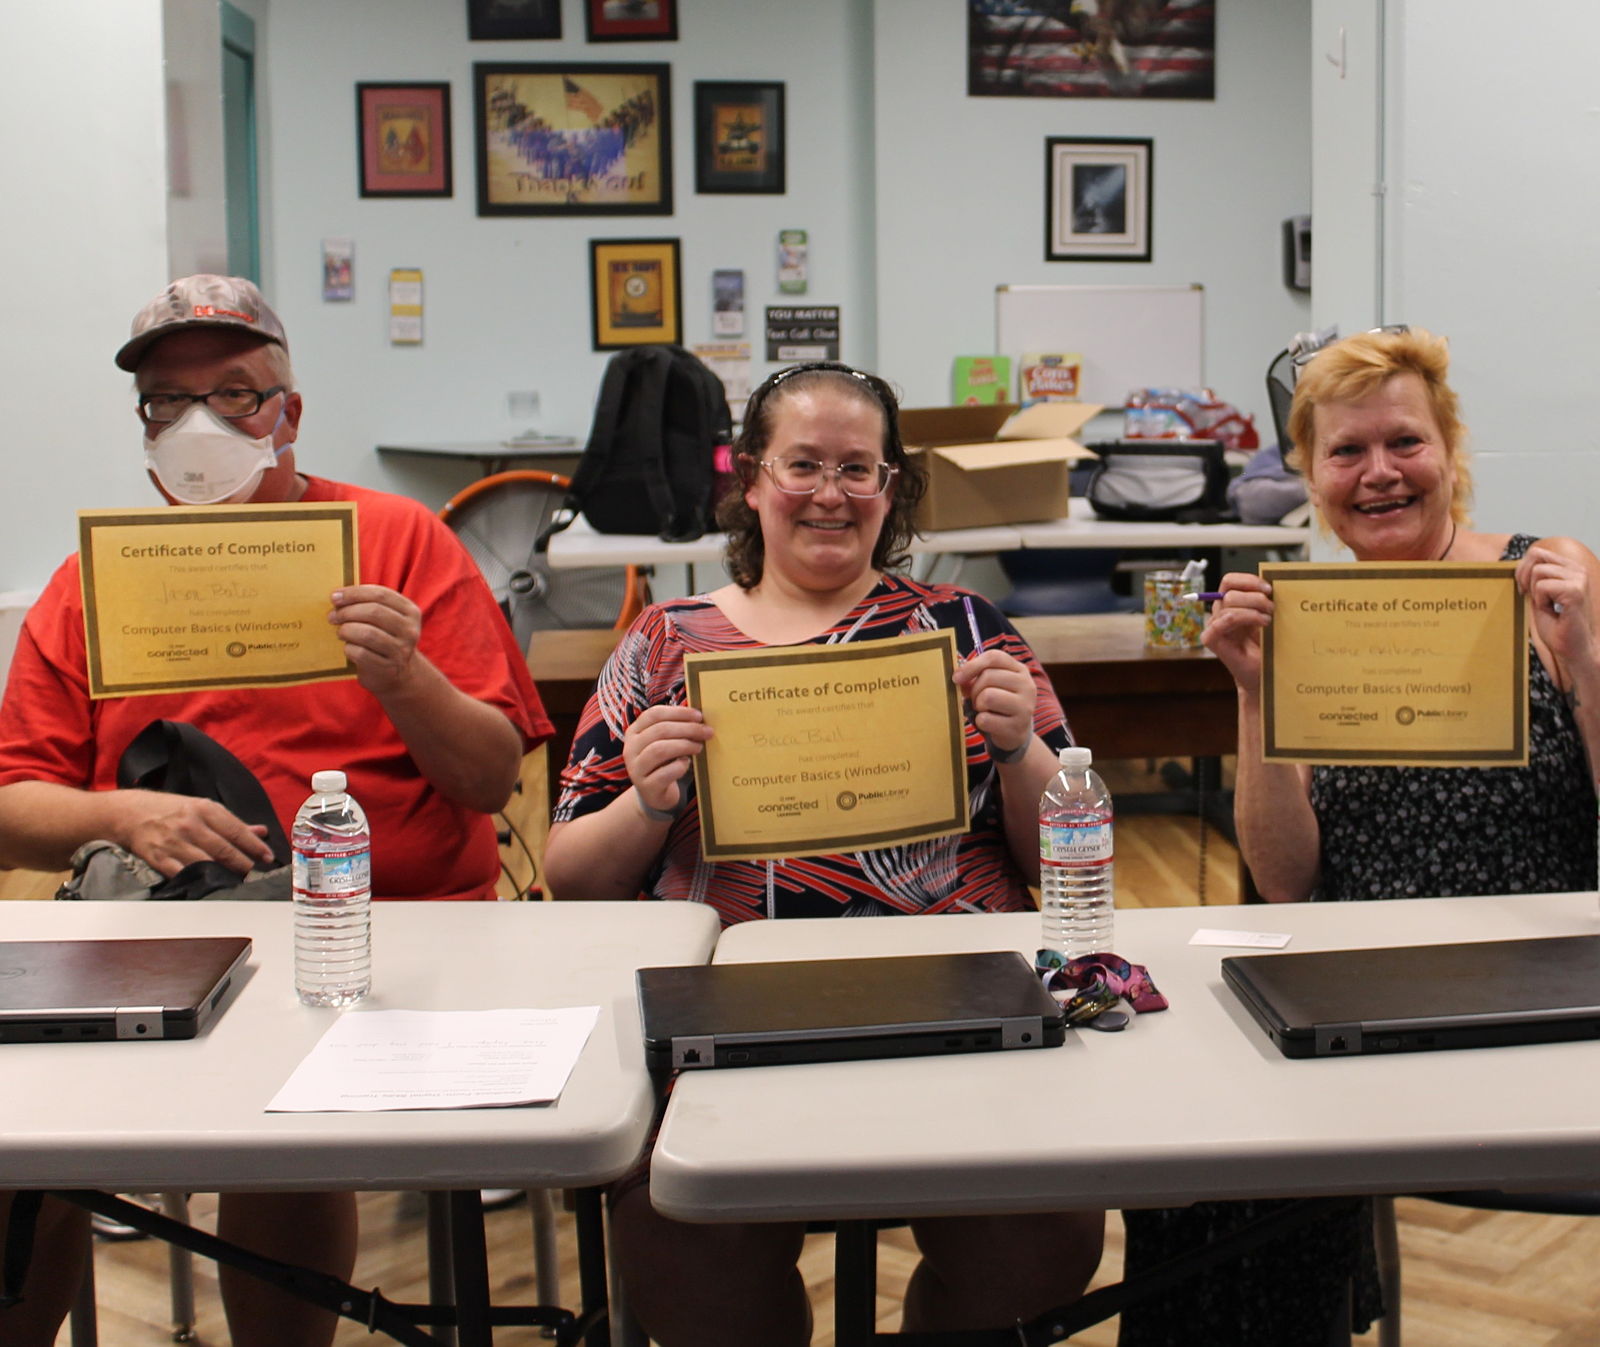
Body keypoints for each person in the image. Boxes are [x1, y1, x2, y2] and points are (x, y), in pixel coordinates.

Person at [0, 275, 552, 1347]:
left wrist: (406, 680)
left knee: (294, 1120)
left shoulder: (395, 544)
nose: (202, 423)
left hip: (388, 927)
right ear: (144, 423)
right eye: (170, 400)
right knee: (22, 1139)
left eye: (237, 394)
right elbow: (11, 804)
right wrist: (116, 814)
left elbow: (491, 781)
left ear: (288, 413)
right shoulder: (91, 584)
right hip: (157, 934)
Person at [542, 361, 1103, 1345]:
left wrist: (1023, 752)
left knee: (1042, 1233)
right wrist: (646, 801)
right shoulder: (666, 643)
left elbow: (1069, 860)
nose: (831, 493)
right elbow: (571, 876)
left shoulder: (964, 631)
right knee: (679, 1238)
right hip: (725, 1019)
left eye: (859, 468)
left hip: (958, 1004)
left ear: (892, 490)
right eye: (803, 464)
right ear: (752, 479)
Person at [1118, 326, 1600, 1345]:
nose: (1378, 473)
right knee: (1195, 1169)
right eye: (1345, 452)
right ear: (1310, 475)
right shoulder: (1304, 614)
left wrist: (1587, 664)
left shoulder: (1548, 585)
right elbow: (1285, 881)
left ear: (1448, 452)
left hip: (1534, 998)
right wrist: (1252, 695)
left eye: (1403, 442)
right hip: (1351, 1000)